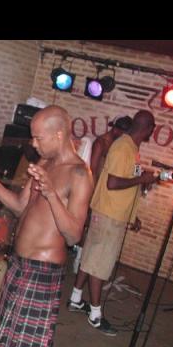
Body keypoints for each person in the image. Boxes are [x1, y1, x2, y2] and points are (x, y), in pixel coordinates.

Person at [0, 105, 93, 347]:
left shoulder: (79, 174)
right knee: (11, 338)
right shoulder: (44, 163)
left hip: (42, 271)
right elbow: (20, 206)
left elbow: (74, 235)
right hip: (19, 264)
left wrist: (51, 194)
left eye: (38, 138)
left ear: (58, 134)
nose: (33, 144)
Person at [68, 110, 158, 336]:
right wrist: (141, 179)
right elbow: (113, 183)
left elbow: (127, 181)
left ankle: (76, 299)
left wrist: (133, 213)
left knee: (91, 258)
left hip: (113, 213)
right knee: (100, 266)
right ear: (147, 128)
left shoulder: (132, 149)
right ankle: (95, 315)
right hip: (109, 215)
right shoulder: (122, 148)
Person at [72, 115, 133, 273]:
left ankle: (82, 258)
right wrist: (92, 193)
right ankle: (79, 258)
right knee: (88, 225)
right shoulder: (101, 142)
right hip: (95, 188)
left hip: (103, 190)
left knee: (93, 228)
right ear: (117, 129)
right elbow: (92, 170)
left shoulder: (118, 145)